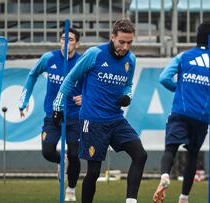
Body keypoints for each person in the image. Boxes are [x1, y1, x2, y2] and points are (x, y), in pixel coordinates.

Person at [52, 19, 147, 203]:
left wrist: (127, 96)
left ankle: (131, 201)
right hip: (92, 120)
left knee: (140, 155)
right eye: (122, 42)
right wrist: (58, 105)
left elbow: (128, 84)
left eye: (130, 42)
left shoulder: (131, 60)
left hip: (116, 119)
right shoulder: (95, 54)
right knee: (94, 171)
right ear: (113, 37)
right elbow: (71, 79)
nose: (126, 46)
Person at [152, 22, 210, 203]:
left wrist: (178, 87)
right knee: (193, 154)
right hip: (201, 117)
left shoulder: (183, 56)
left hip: (180, 111)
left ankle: (164, 176)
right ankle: (184, 197)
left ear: (196, 38)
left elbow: (164, 78)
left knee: (170, 148)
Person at [18, 27, 82, 201]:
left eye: (70, 39)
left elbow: (93, 85)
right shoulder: (49, 58)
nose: (65, 42)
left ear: (77, 43)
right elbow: (32, 75)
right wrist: (23, 101)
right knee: (47, 152)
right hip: (53, 114)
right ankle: (62, 160)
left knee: (76, 155)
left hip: (75, 116)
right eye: (63, 38)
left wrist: (85, 97)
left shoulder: (82, 61)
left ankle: (71, 189)